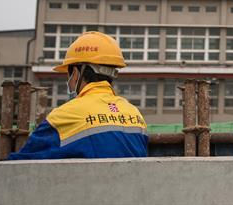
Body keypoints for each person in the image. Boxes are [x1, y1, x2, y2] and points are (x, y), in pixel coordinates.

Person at [8, 31, 148, 160]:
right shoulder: (135, 114)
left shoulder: (63, 117)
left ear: (75, 74)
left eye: (68, 75)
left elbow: (20, 165)